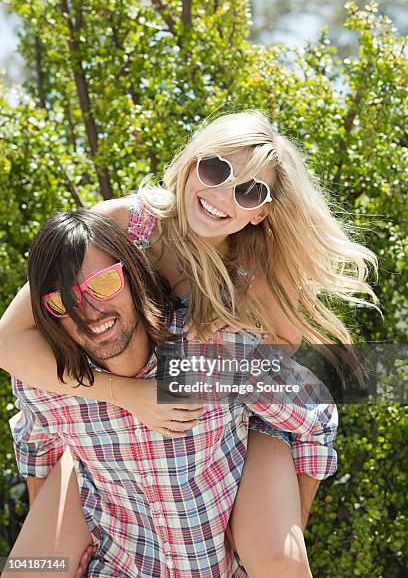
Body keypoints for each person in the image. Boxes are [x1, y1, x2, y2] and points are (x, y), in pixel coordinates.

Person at [1, 108, 378, 572]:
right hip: (112, 416)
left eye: (248, 191)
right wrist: (125, 394)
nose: (223, 195)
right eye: (216, 169)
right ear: (189, 163)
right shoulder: (121, 223)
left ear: (261, 211)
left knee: (276, 559)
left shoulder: (251, 268)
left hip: (242, 417)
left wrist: (226, 327)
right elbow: (9, 343)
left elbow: (287, 355)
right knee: (32, 567)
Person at [0, 210, 338, 577]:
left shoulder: (214, 353)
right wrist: (53, 553)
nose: (90, 313)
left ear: (133, 273)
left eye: (103, 284)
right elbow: (36, 444)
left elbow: (314, 417)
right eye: (63, 303)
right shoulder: (50, 383)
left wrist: (292, 530)